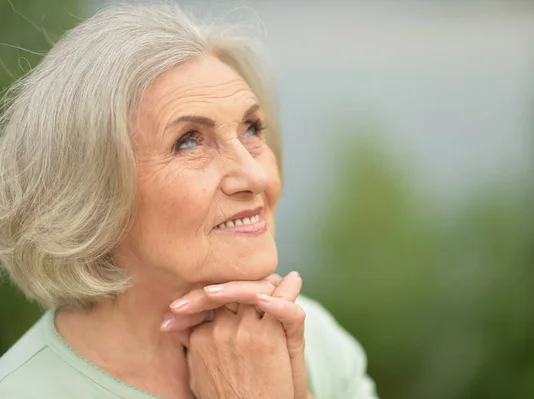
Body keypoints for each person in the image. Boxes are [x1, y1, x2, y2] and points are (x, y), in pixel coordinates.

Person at [0, 3, 377, 399]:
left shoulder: (312, 338)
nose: (256, 176)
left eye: (252, 129)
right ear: (88, 192)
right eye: (189, 141)